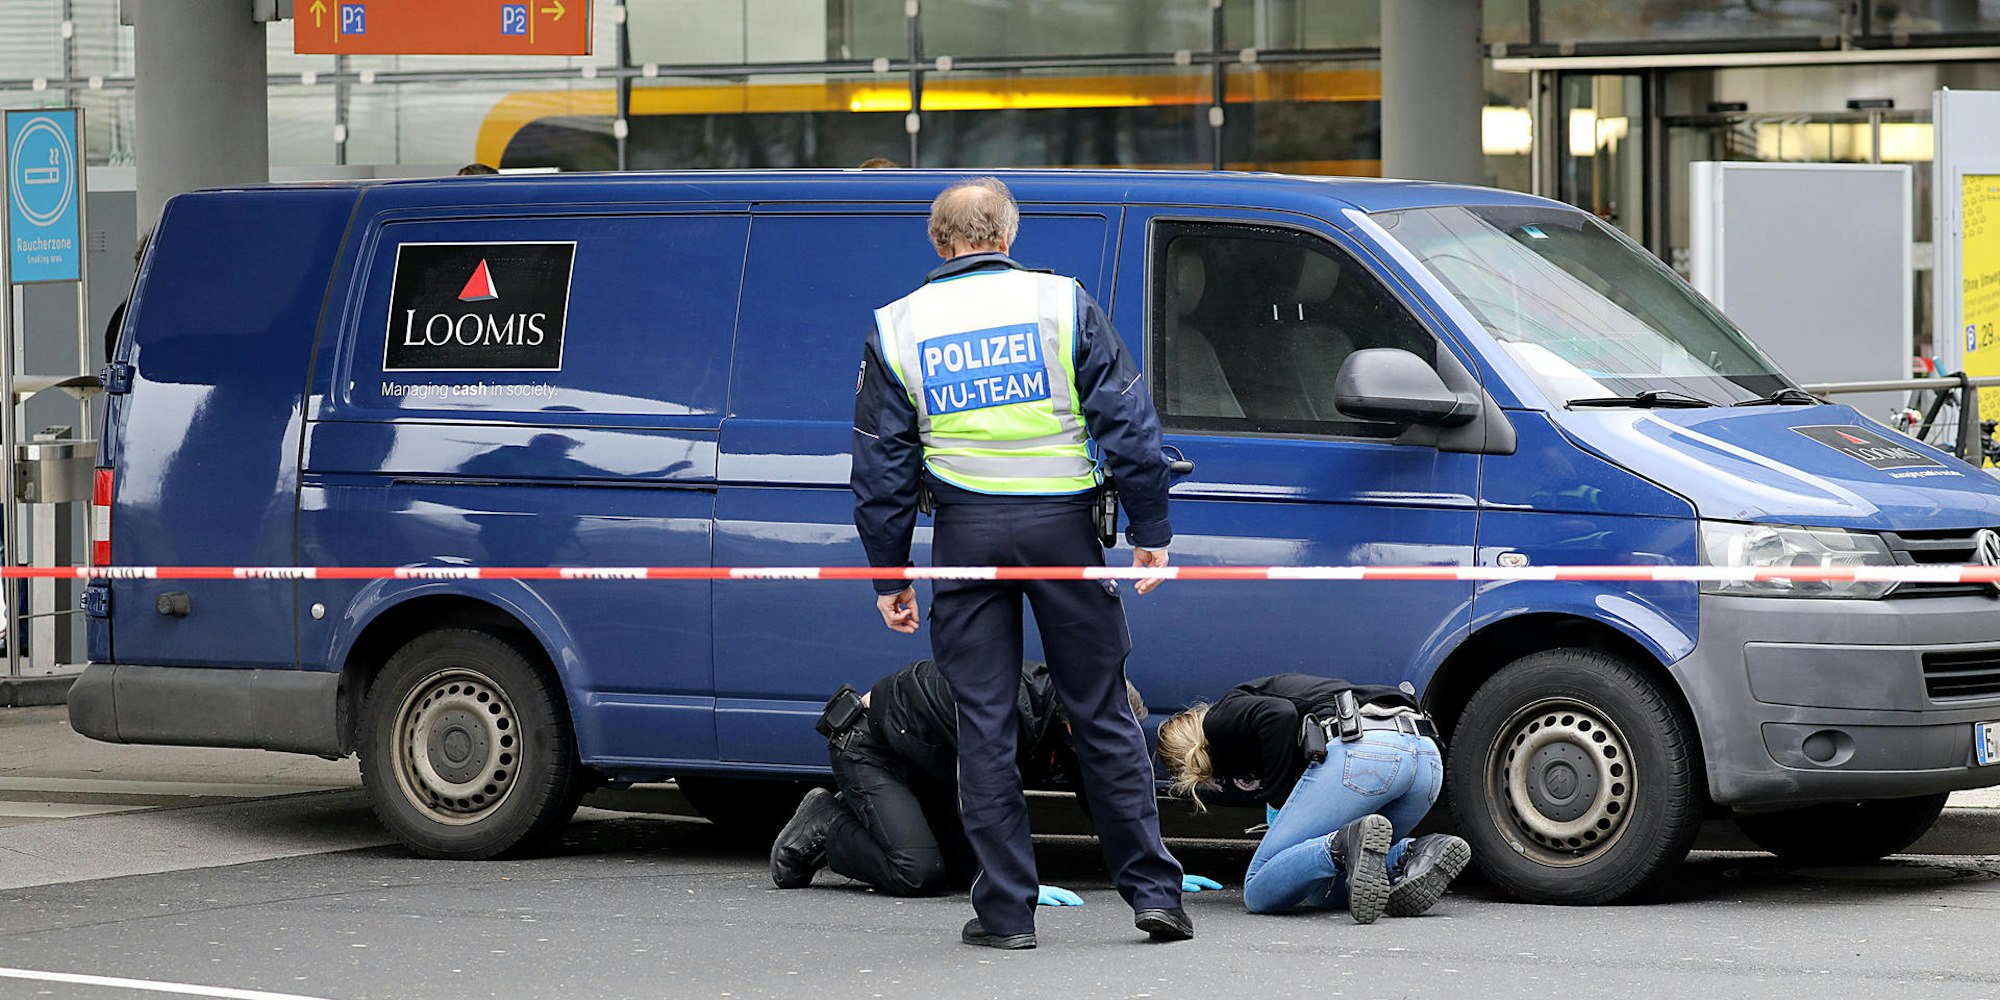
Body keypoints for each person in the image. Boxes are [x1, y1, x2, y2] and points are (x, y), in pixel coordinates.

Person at [851, 176, 1187, 950]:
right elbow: (1129, 422)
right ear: (1007, 234)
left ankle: (1005, 914)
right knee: (1100, 711)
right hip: (1064, 531)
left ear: (940, 243)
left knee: (985, 725)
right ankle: (1153, 897)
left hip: (965, 536)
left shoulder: (899, 326)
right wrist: (1151, 525)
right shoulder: (1059, 303)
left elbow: (881, 467)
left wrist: (888, 575)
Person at [769, 658, 1223, 905]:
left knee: (958, 870)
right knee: (918, 872)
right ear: (1073, 728)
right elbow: (985, 796)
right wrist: (1011, 880)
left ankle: (868, 820)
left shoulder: (1075, 720)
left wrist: (1150, 867)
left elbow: (1107, 796)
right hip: (872, 747)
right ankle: (826, 825)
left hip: (929, 758)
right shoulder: (1011, 711)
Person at [1155, 673, 1472, 924]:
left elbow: (1276, 715)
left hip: (1366, 751)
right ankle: (1411, 853)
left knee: (1257, 889)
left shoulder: (1220, 718)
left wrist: (1278, 799)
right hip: (1425, 756)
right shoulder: (1260, 705)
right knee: (1324, 891)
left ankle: (1341, 843)